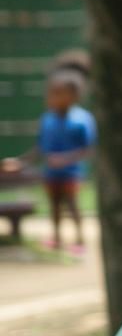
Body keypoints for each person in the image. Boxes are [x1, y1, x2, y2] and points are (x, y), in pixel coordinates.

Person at [2, 63, 96, 253]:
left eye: (57, 93)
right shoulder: (48, 119)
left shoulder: (81, 120)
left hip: (71, 173)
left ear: (73, 96)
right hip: (51, 173)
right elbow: (41, 147)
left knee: (72, 205)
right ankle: (57, 238)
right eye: (51, 93)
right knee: (54, 206)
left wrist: (65, 159)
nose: (50, 98)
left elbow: (87, 149)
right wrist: (21, 162)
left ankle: (79, 240)